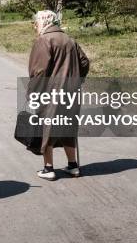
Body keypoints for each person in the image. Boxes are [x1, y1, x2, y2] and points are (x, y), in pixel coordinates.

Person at [28, 10, 89, 181]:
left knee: (47, 129)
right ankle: (73, 166)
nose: (34, 25)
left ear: (43, 21)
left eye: (36, 22)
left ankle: (48, 169)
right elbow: (84, 62)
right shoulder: (70, 40)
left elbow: (39, 72)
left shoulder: (44, 40)